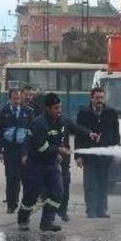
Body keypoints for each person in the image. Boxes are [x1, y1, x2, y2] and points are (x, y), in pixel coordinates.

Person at [17, 93, 97, 231]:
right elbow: (42, 146)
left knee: (57, 191)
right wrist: (59, 150)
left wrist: (90, 133)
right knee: (31, 196)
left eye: (60, 107)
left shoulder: (61, 121)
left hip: (51, 165)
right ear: (47, 109)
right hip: (35, 165)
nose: (59, 110)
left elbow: (74, 127)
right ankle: (23, 218)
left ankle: (47, 221)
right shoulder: (38, 124)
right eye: (55, 108)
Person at [75, 87, 120, 219]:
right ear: (91, 98)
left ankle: (102, 210)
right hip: (89, 156)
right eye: (97, 98)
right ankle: (91, 211)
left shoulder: (111, 113)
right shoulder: (83, 113)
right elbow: (78, 136)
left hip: (105, 156)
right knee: (90, 185)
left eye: (101, 97)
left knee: (103, 184)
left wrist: (116, 152)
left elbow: (116, 135)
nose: (100, 100)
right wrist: (78, 156)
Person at [0, 88, 33, 213]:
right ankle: (11, 204)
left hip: (24, 149)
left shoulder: (28, 112)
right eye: (14, 99)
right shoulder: (4, 112)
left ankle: (26, 205)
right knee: (12, 178)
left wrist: (29, 151)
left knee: (27, 178)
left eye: (18, 98)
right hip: (10, 149)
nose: (17, 101)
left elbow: (32, 132)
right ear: (9, 99)